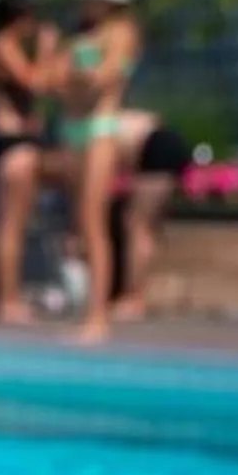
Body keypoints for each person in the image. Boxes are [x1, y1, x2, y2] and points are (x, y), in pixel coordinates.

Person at [44, 0, 145, 342]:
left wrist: (74, 78)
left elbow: (102, 79)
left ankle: (98, 315)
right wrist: (73, 76)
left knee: (93, 221)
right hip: (73, 131)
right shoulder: (79, 37)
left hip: (100, 130)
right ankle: (90, 309)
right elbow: (52, 80)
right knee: (79, 226)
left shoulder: (121, 31)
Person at [0, 0, 59, 321]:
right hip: (13, 143)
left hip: (13, 142)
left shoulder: (2, 46)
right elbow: (35, 82)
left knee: (4, 223)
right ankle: (7, 299)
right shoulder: (3, 45)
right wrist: (46, 50)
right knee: (10, 225)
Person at [99, 107, 192, 324]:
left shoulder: (95, 137)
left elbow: (104, 180)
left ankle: (134, 298)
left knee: (137, 227)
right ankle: (132, 295)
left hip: (156, 149)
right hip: (159, 144)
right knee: (140, 226)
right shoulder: (113, 123)